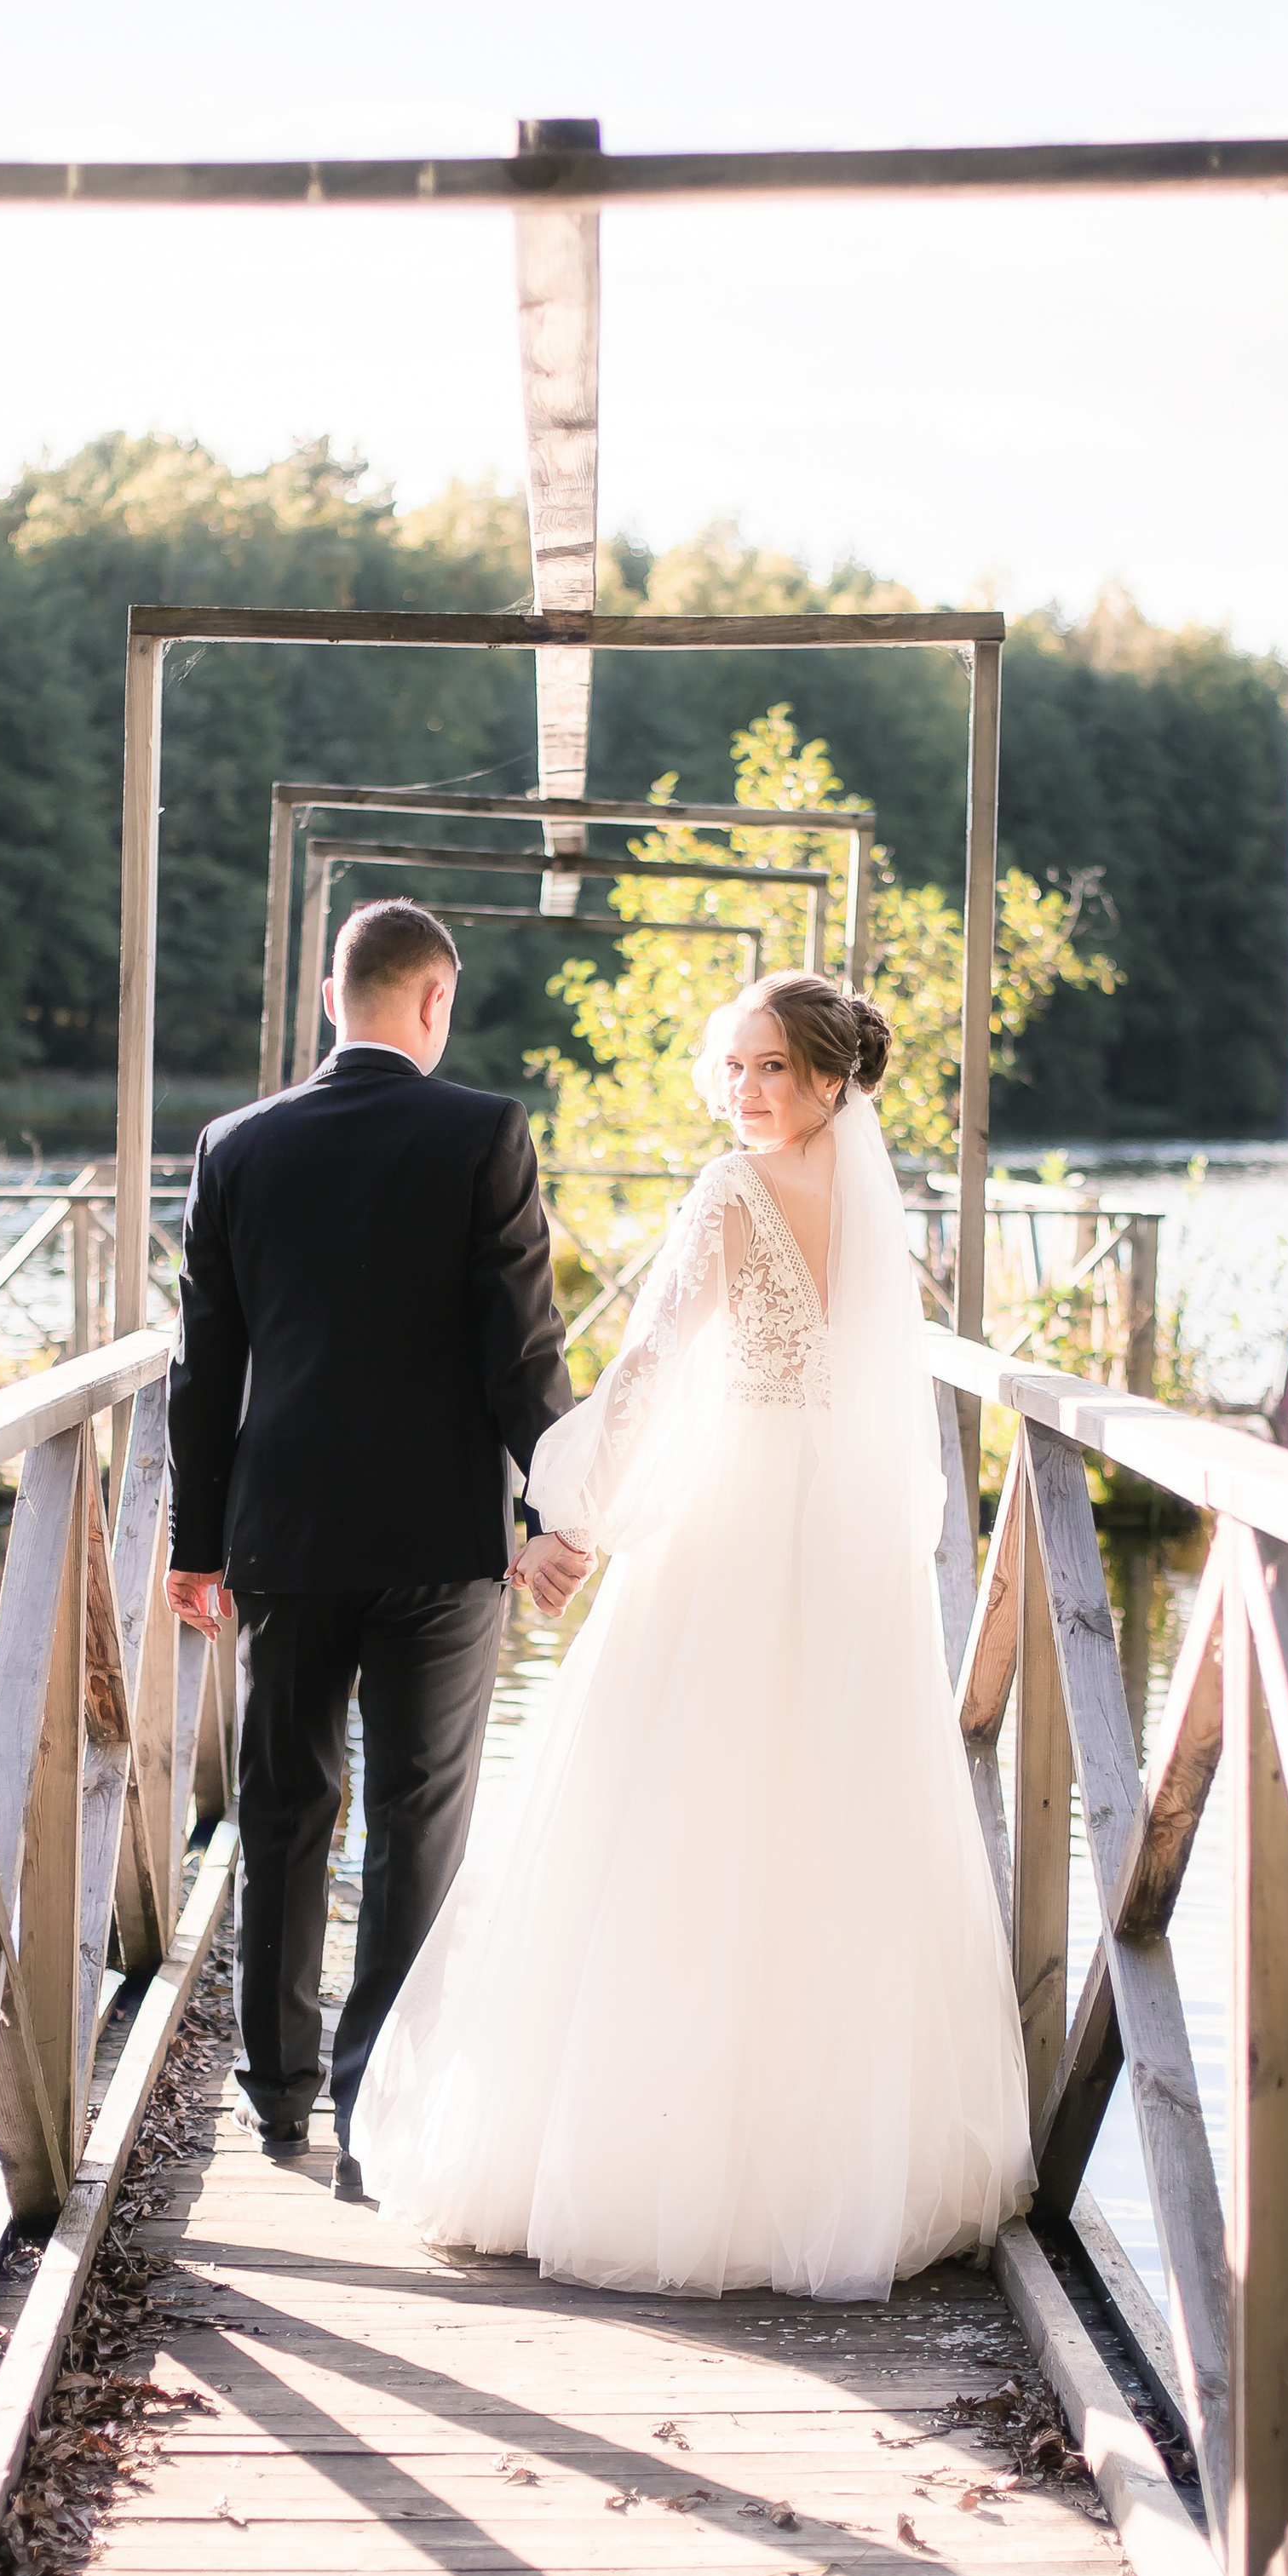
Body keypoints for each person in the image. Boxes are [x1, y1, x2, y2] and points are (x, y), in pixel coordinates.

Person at [353, 971, 1035, 2298]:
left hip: (741, 1534)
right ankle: (824, 2162)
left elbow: (656, 1368)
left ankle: (663, 2162)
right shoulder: (874, 1202)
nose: (743, 1093)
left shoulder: (732, 1195)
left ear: (832, 1077)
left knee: (680, 1802)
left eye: (770, 1068)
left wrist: (569, 1513)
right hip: (837, 1541)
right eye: (731, 1067)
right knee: (807, 1811)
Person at [165, 898, 583, 2201]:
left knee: (285, 1812)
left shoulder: (235, 1144)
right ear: (435, 999)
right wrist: (552, 1510)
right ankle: (377, 2102)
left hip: (282, 1534)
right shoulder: (484, 1134)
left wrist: (196, 1539)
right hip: (441, 1540)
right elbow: (520, 1352)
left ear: (332, 1000)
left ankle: (276, 2097)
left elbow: (202, 1371)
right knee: (417, 1821)